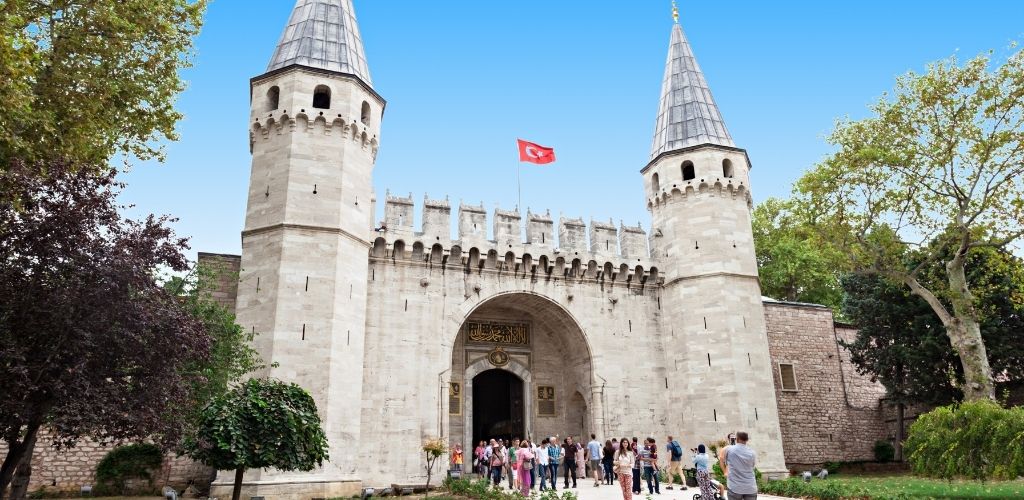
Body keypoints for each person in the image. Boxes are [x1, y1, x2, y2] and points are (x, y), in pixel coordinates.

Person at [718, 431, 757, 500]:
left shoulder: (729, 449)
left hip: (735, 487)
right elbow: (752, 466)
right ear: (747, 440)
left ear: (737, 439)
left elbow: (721, 459)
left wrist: (725, 472)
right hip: (750, 487)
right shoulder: (752, 452)